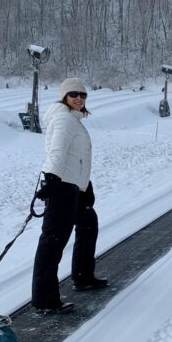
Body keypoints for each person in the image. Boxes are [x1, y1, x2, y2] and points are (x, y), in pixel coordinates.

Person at [31, 78, 108, 314]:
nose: (79, 98)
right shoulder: (64, 119)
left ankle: (83, 277)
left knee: (88, 224)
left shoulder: (73, 119)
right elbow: (57, 150)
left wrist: (84, 186)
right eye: (73, 94)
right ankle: (44, 300)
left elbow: (77, 157)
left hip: (75, 186)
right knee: (53, 242)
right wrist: (51, 178)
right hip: (62, 186)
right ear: (64, 96)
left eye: (83, 95)